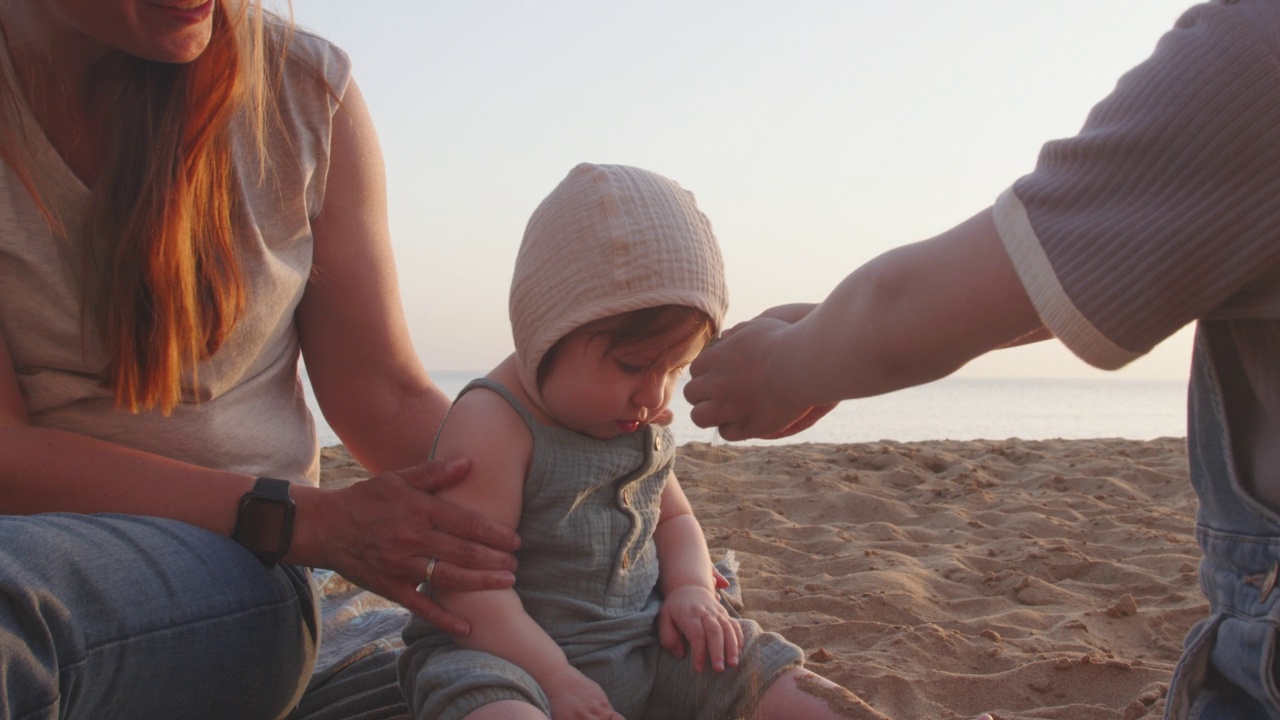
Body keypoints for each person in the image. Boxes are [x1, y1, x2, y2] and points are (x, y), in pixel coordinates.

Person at [683, 1, 1280, 719]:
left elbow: (913, 300)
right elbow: (1079, 274)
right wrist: (823, 333)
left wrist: (786, 367)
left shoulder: (1254, 51)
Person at [0, 1, 521, 717]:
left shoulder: (301, 91)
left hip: (240, 571)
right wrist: (308, 519)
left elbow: (386, 398)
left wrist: (585, 479)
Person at [397, 163, 886, 720]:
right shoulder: (492, 422)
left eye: (675, 368)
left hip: (643, 641)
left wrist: (692, 591)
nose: (653, 395)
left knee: (763, 670)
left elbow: (674, 521)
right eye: (631, 365)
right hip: (505, 656)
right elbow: (467, 590)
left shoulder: (635, 419)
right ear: (546, 329)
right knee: (489, 706)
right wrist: (555, 678)